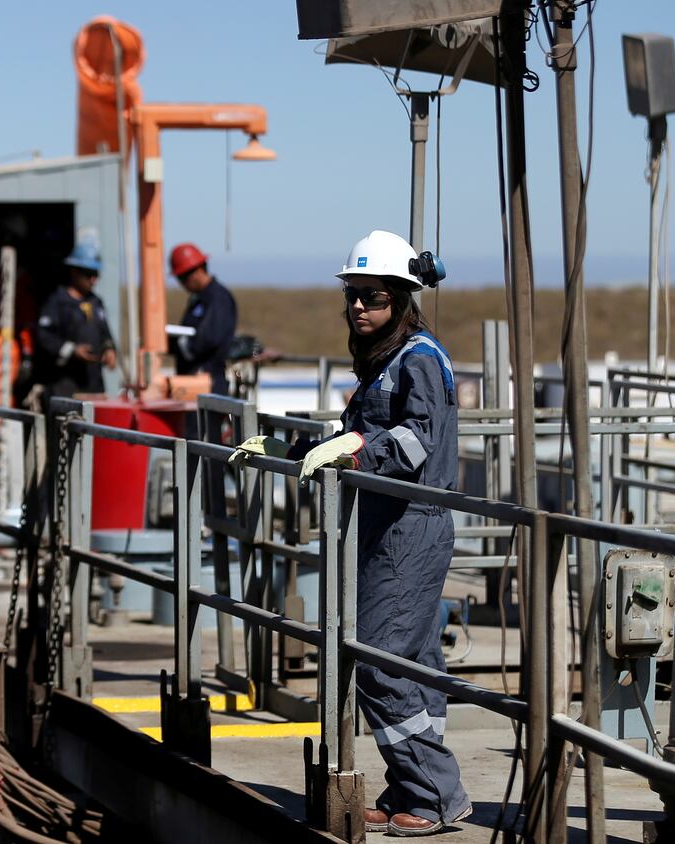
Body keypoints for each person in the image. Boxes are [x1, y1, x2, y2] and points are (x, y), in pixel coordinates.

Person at [230, 230, 467, 837]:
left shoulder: (419, 359)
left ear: (403, 299)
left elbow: (416, 440)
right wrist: (284, 447)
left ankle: (437, 795)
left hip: (410, 525)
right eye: (354, 296)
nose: (360, 307)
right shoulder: (383, 364)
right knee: (410, 663)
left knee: (381, 664)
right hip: (381, 527)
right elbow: (349, 435)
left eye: (375, 297)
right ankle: (411, 788)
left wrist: (357, 454)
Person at [32, 239, 117, 401]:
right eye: (88, 274)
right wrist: (72, 351)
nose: (93, 280)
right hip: (64, 387)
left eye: (96, 274)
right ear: (74, 271)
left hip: (94, 387)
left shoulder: (96, 303)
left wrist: (109, 349)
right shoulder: (57, 302)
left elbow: (106, 334)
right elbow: (44, 337)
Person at [167, 242, 237, 395]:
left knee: (201, 420)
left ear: (197, 271)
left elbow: (207, 339)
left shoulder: (218, 298)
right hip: (193, 382)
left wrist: (180, 345)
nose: (181, 284)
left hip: (208, 384)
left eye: (182, 278)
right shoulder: (199, 299)